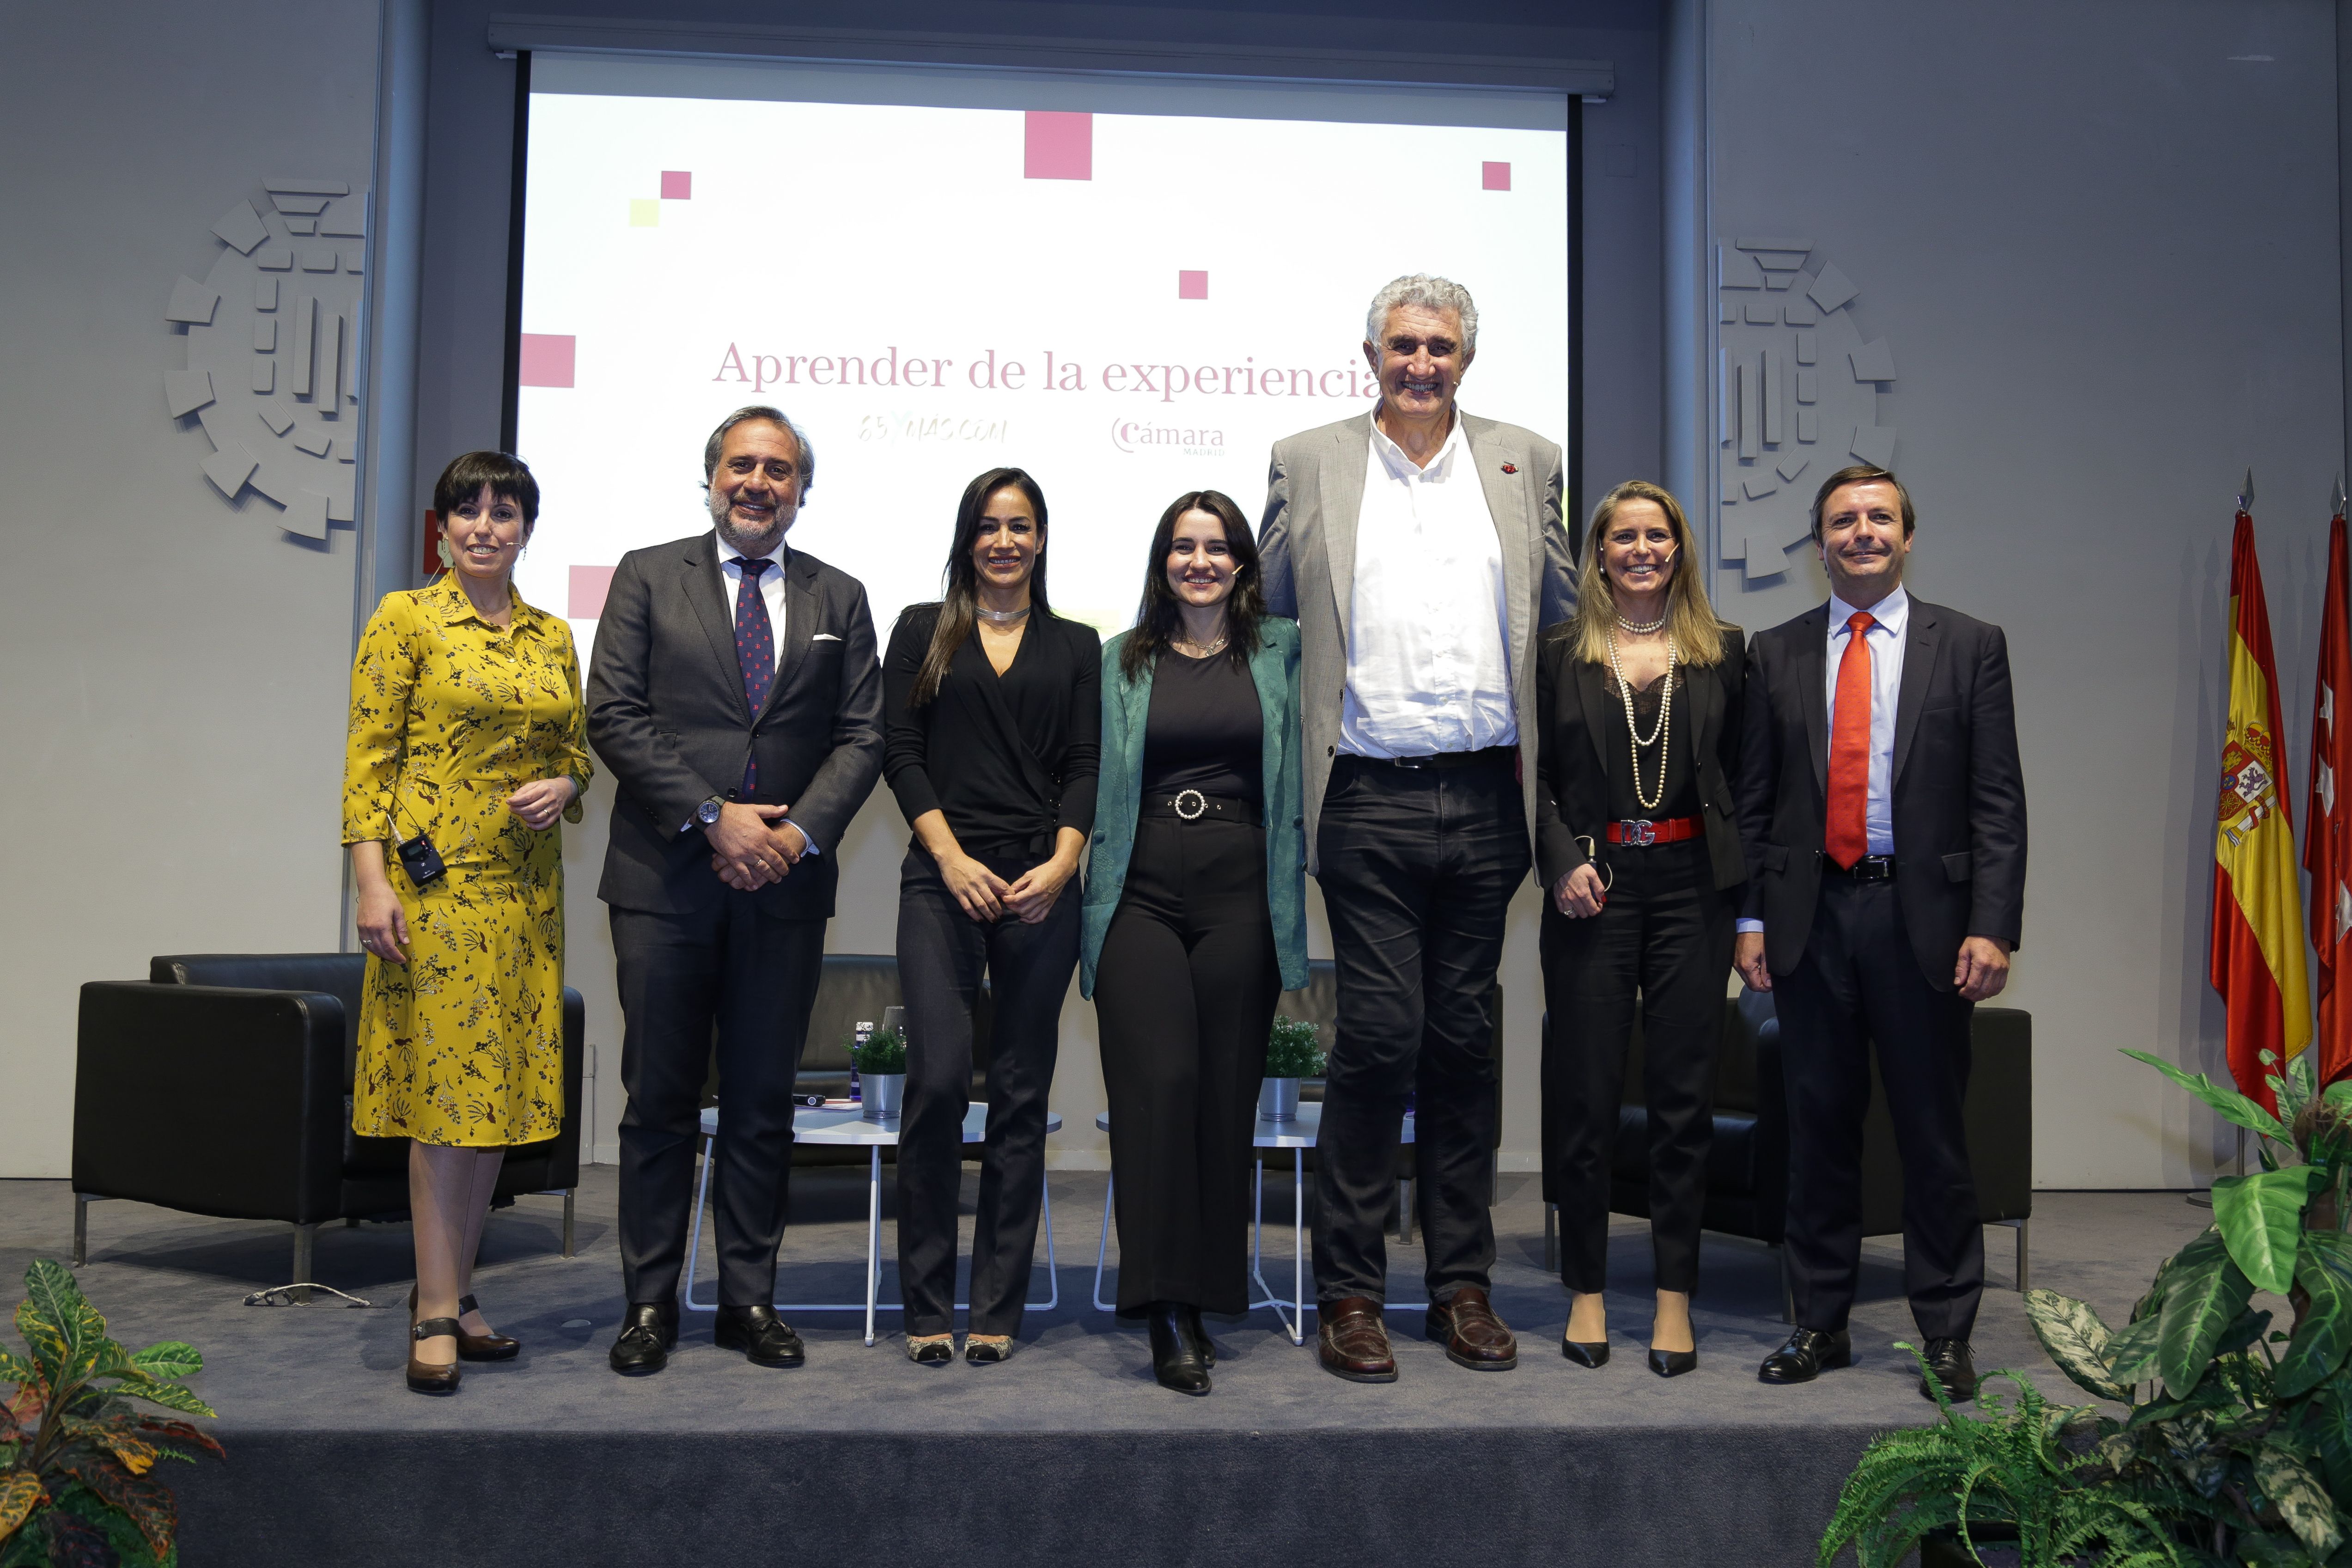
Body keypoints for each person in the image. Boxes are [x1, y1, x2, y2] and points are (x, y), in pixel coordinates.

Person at [1259, 274, 1576, 1382]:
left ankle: (1461, 1286)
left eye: (1440, 345)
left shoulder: (1525, 458)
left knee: (1463, 1043)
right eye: (1403, 344)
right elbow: (1269, 629)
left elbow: (1565, 626)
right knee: (1382, 1037)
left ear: (1467, 357)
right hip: (1368, 797)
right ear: (1369, 352)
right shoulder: (1308, 460)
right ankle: (1350, 1289)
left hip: (1489, 796)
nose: (1421, 363)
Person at [586, 404, 884, 1375]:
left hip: (784, 886)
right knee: (660, 1096)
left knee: (762, 1100)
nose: (759, 483)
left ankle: (749, 1296)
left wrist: (790, 834)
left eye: (780, 470)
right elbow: (615, 714)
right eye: (742, 466)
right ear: (710, 476)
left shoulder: (840, 595)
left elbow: (863, 735)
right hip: (665, 877)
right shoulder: (644, 573)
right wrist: (717, 816)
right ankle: (648, 1300)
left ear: (803, 488)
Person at [1733, 464, 2025, 1401]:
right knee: (1816, 1131)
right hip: (1809, 918)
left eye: (1879, 517)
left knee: (1933, 1134)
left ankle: (1945, 1329)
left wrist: (1992, 924)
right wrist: (1746, 915)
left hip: (1923, 923)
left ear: (1906, 534)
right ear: (1816, 543)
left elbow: (1997, 802)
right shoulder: (1771, 653)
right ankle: (1819, 1322)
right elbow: (1755, 799)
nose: (1861, 532)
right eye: (1842, 520)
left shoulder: (1970, 645)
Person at [344, 451, 593, 1395]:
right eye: (469, 510)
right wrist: (373, 886)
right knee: (444, 1103)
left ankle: (455, 1287)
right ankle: (436, 1308)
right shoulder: (405, 618)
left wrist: (568, 781)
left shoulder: (549, 634)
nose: (487, 525)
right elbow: (366, 764)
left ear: (526, 526)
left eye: (505, 510)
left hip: (524, 898)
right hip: (432, 895)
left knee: (494, 1101)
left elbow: (579, 748)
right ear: (442, 527)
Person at [1084, 490, 1307, 1396]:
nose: (1199, 561)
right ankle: (1164, 1308)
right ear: (1162, 560)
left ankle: (1209, 1293)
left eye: (1217, 547)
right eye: (1183, 546)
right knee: (1160, 1082)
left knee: (1223, 1097)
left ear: (1244, 564)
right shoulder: (1116, 661)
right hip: (1137, 890)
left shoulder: (1285, 652)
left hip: (1241, 887)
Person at [883, 468, 1099, 1366]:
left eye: (1019, 525)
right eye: (988, 525)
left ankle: (996, 1305)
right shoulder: (918, 631)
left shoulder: (1079, 644)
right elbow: (900, 753)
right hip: (944, 877)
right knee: (936, 1084)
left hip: (1041, 884)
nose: (1003, 540)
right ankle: (927, 1299)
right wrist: (951, 856)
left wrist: (1059, 863)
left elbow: (1087, 764)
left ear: (1041, 538)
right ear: (967, 537)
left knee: (1019, 1094)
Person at [1533, 481, 1745, 1379]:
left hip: (1694, 890)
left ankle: (1671, 1298)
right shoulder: (1558, 654)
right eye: (1624, 536)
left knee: (1680, 1100)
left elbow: (1750, 784)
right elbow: (1534, 777)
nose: (1642, 548)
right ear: (1600, 552)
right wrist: (1559, 861)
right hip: (1594, 888)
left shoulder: (1727, 653)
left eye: (1657, 534)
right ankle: (1586, 1289)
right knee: (1583, 1097)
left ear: (1679, 548)